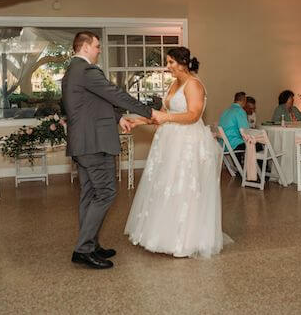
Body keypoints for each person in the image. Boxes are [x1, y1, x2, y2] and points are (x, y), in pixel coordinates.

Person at [61, 31, 164, 270]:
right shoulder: (87, 70)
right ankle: (84, 249)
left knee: (89, 194)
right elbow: (114, 94)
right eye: (97, 46)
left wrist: (118, 118)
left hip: (83, 143)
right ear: (85, 47)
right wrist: (148, 112)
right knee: (106, 193)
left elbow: (93, 102)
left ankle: (90, 244)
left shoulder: (72, 71)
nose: (99, 50)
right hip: (94, 143)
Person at [125, 47, 226, 258]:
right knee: (165, 185)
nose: (167, 66)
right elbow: (165, 113)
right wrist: (140, 121)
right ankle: (162, 234)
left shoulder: (194, 84)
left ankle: (185, 239)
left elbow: (194, 115)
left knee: (183, 186)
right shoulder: (174, 84)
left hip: (187, 143)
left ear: (182, 63)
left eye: (171, 62)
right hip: (169, 141)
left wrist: (167, 119)